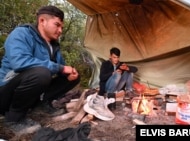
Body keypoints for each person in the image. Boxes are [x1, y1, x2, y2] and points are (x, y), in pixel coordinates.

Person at [0, 5, 80, 134]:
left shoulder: (54, 45)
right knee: (41, 73)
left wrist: (69, 74)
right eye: (57, 25)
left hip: (30, 90)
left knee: (72, 76)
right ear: (42, 21)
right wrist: (60, 68)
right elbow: (19, 63)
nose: (60, 30)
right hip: (6, 92)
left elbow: (60, 68)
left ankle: (41, 105)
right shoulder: (22, 34)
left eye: (62, 27)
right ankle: (13, 118)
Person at [84, 47, 138, 121]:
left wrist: (127, 68)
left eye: (117, 57)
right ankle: (110, 94)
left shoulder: (121, 64)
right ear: (110, 56)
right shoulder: (105, 64)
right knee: (118, 74)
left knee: (130, 72)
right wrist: (113, 73)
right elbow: (102, 77)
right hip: (107, 87)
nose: (116, 59)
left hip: (117, 87)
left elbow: (135, 69)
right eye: (114, 57)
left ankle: (129, 91)